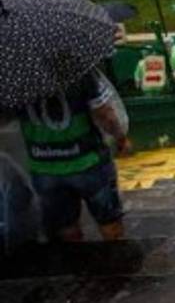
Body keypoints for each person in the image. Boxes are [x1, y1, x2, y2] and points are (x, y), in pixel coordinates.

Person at [20, 67, 132, 241]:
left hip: (44, 167)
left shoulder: (12, 78)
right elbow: (105, 114)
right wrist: (121, 138)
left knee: (66, 227)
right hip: (88, 161)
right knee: (109, 222)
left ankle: (78, 263)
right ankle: (118, 262)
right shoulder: (79, 70)